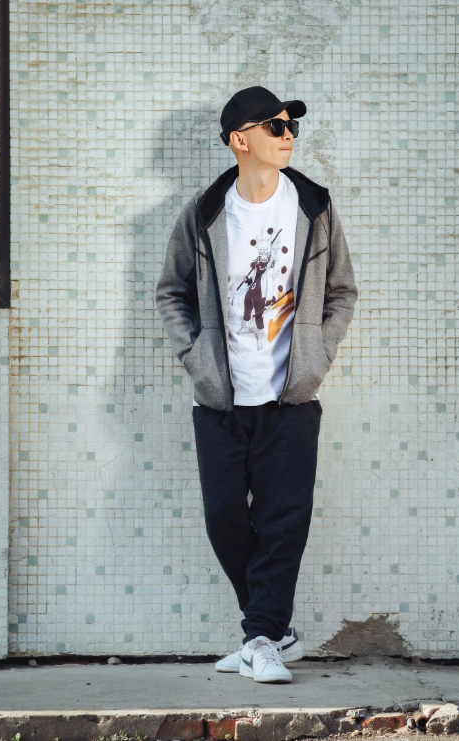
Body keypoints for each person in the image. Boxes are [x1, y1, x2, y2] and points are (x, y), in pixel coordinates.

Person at [155, 86, 358, 683]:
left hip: (291, 396)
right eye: (275, 126)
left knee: (283, 522)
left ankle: (260, 637)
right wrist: (196, 358)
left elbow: (342, 291)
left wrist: (317, 356)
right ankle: (270, 632)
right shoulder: (203, 214)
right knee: (224, 519)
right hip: (221, 398)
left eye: (292, 124)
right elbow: (171, 291)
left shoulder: (314, 208)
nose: (288, 134)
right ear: (239, 140)